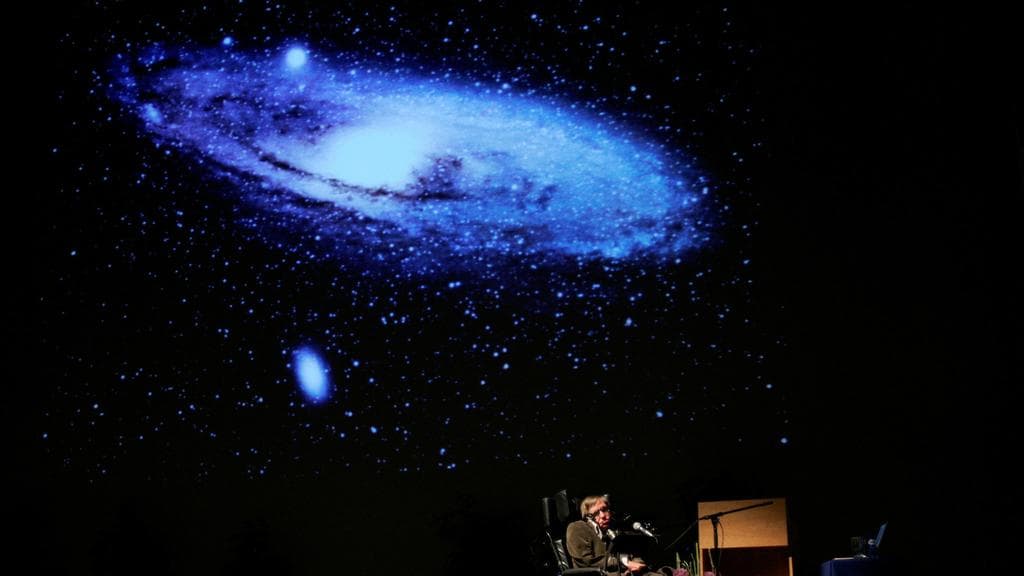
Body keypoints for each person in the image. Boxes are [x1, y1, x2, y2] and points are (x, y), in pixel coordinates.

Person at [566, 494, 676, 575]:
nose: (603, 516)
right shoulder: (578, 527)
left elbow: (631, 555)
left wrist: (636, 563)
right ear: (587, 516)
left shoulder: (612, 531)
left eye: (605, 510)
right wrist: (625, 563)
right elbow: (587, 561)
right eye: (597, 513)